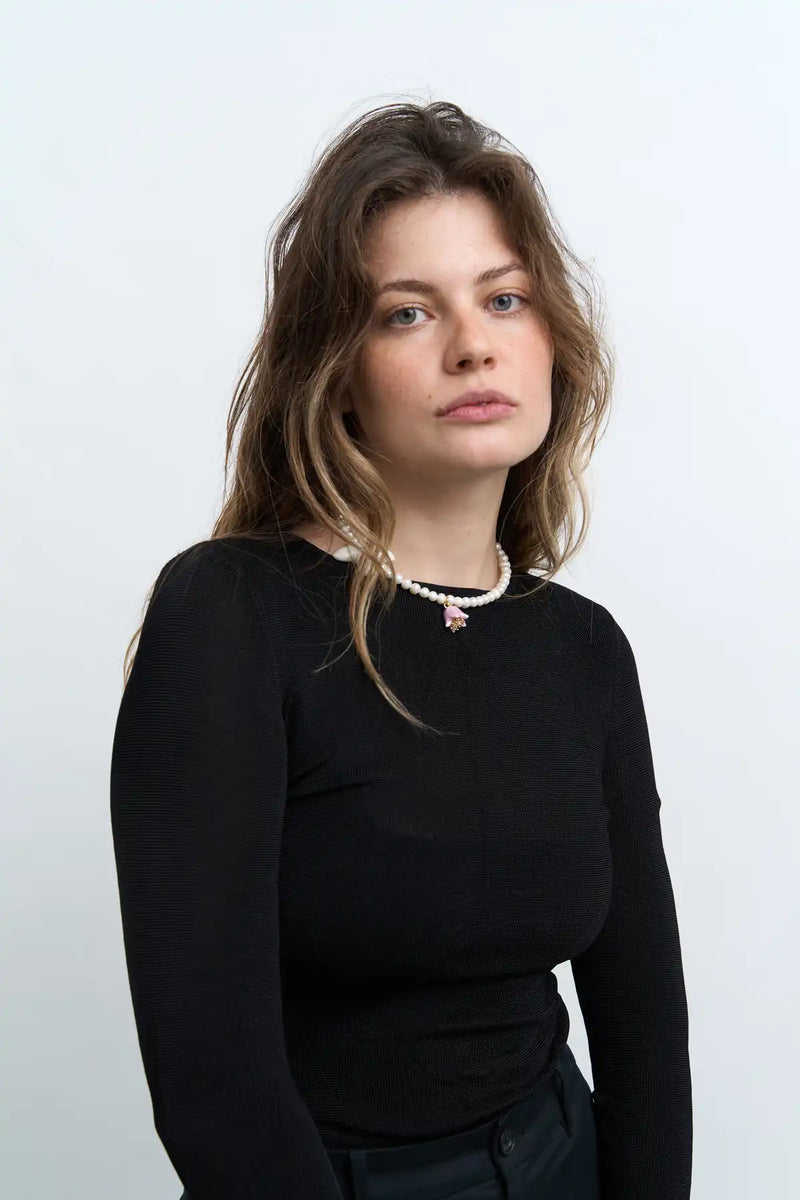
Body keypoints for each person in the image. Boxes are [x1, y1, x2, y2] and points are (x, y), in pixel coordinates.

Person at [110, 99, 692, 1200]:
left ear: (552, 340)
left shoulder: (582, 648)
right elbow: (211, 1081)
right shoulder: (232, 615)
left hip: (563, 1156)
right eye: (407, 313)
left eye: (504, 298)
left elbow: (643, 1023)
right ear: (335, 371)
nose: (473, 343)